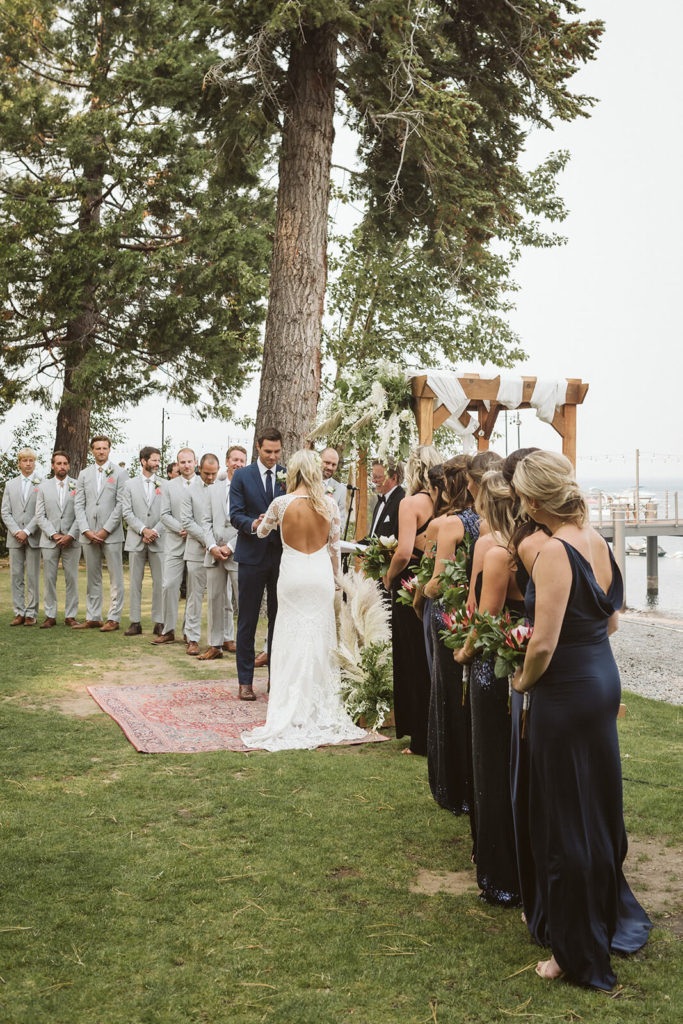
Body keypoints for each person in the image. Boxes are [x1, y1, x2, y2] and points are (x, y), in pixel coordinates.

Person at [511, 451, 651, 989]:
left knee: (563, 817)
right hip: (601, 679)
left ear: (537, 498)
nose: (520, 502)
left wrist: (523, 683)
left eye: (523, 493)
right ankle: (604, 916)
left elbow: (542, 643)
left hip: (565, 691)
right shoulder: (599, 542)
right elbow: (611, 622)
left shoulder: (552, 551)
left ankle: (574, 952)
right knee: (595, 808)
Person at [241, 450, 366, 751]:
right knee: (321, 639)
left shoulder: (281, 504)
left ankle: (289, 704)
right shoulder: (330, 504)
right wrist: (336, 579)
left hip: (293, 575)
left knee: (289, 637)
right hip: (320, 575)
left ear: (293, 472)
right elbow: (334, 548)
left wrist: (262, 522)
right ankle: (318, 704)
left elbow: (260, 533)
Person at [454, 470, 524, 906]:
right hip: (520, 660)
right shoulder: (529, 547)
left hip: (492, 665)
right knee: (514, 762)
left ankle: (498, 870)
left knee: (491, 762)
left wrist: (462, 654)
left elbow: (483, 617)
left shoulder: (493, 549)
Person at [422, 455, 478, 816]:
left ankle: (451, 786)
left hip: (448, 616)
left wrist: (423, 590)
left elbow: (439, 581)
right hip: (475, 617)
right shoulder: (490, 522)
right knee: (469, 700)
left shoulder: (449, 525)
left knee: (446, 697)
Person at [383, 445, 442, 756]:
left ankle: (420, 737)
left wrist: (389, 576)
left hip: (411, 585)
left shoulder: (411, 503)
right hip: (437, 582)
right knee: (431, 660)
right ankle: (434, 732)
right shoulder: (445, 503)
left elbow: (404, 552)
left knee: (412, 658)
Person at [230, 428, 287, 701]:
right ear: (257, 447)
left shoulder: (288, 475)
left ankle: (276, 680)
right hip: (251, 556)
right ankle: (245, 682)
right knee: (248, 621)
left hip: (281, 558)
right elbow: (235, 515)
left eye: (276, 452)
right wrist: (255, 523)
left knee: (280, 620)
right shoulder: (242, 475)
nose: (272, 457)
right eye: (267, 452)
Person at [73, 435, 127, 631]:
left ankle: (113, 617)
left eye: (104, 448)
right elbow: (78, 504)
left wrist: (105, 530)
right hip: (88, 534)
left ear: (109, 450)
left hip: (111, 534)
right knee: (92, 576)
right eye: (97, 448)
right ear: (92, 450)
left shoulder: (120, 473)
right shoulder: (84, 474)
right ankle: (93, 616)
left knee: (115, 577)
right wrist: (86, 529)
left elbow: (121, 504)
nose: (101, 451)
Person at [198, 445, 246, 660]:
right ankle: (214, 645)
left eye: (242, 461)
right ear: (226, 462)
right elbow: (205, 522)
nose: (238, 464)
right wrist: (212, 547)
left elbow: (249, 524)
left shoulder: (249, 489)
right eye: (234, 459)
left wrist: (230, 547)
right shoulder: (213, 489)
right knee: (215, 600)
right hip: (214, 552)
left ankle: (243, 645)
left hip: (238, 552)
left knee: (242, 601)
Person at [152, 448, 197, 645]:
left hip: (196, 543)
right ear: (177, 465)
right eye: (182, 462)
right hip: (174, 543)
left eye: (189, 461)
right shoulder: (168, 486)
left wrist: (194, 532)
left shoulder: (204, 485)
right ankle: (168, 629)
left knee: (194, 589)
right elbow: (164, 514)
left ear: (195, 462)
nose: (186, 465)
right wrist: (182, 529)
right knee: (169, 584)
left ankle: (190, 631)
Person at [121, 446, 165, 636]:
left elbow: (167, 513)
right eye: (154, 460)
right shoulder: (129, 485)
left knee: (160, 582)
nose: (157, 464)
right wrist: (143, 530)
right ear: (143, 461)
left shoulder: (165, 484)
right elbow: (126, 512)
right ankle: (135, 622)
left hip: (158, 539)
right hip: (136, 538)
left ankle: (160, 622)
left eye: (158, 460)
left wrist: (154, 531)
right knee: (134, 582)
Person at [35, 451, 80, 628]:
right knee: (49, 579)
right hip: (49, 540)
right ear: (53, 466)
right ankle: (50, 615)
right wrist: (54, 534)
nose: (62, 466)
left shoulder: (77, 486)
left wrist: (70, 535)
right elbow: (39, 515)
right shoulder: (43, 487)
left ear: (69, 466)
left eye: (65, 463)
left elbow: (80, 513)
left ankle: (71, 615)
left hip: (72, 540)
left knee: (72, 578)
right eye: (58, 463)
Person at [181, 454, 219, 655]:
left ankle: (223, 639)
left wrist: (215, 544)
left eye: (213, 474)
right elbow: (186, 521)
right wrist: (207, 541)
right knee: (195, 596)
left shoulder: (223, 488)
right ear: (199, 469)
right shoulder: (189, 491)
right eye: (206, 474)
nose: (210, 478)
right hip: (196, 551)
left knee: (221, 597)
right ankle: (192, 638)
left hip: (218, 553)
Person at [1, 447, 42, 626]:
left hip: (33, 536)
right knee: (16, 576)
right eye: (24, 461)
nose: (28, 464)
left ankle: (31, 613)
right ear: (19, 463)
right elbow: (5, 511)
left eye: (31, 461)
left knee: (33, 577)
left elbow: (41, 512)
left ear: (35, 463)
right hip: (14, 537)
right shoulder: (10, 485)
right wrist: (17, 531)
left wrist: (27, 531)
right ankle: (19, 611)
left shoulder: (42, 484)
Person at [367, 459, 404, 539]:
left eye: (377, 477)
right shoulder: (380, 501)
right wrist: (356, 544)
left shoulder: (402, 501)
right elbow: (373, 538)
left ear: (394, 478)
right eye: (372, 476)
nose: (373, 480)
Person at [320, 447, 347, 522]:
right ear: (319, 461)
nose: (330, 467)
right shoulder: (306, 483)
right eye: (327, 463)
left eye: (334, 465)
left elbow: (341, 519)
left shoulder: (341, 490)